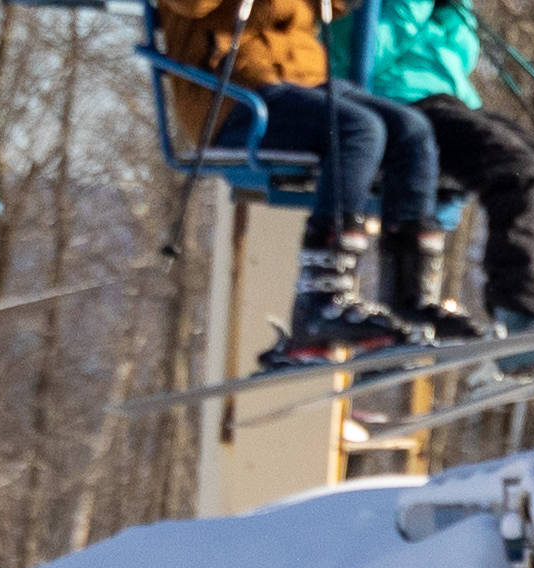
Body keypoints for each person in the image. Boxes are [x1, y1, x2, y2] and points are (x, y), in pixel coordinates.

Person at [149, 0, 439, 362]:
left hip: (303, 82)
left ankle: (410, 301)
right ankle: (320, 301)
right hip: (232, 91)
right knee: (357, 130)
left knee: (412, 130)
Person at [339, 0, 534, 343]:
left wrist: (453, 13)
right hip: (393, 103)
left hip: (447, 101)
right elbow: (367, 49)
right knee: (517, 172)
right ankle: (520, 312)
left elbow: (453, 54)